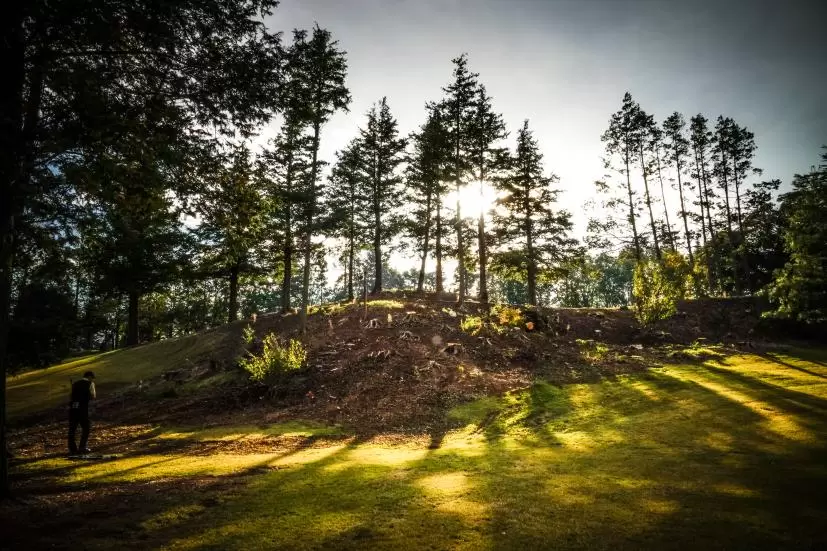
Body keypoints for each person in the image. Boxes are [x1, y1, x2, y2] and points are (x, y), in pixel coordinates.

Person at [68, 371, 97, 455]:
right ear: (89, 377)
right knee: (86, 428)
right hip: (83, 409)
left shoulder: (75, 384)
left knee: (72, 430)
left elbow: (71, 396)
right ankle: (82, 447)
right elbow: (93, 396)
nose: (92, 379)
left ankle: (72, 449)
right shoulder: (90, 384)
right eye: (92, 378)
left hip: (73, 409)